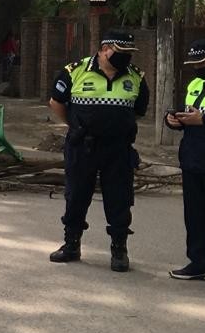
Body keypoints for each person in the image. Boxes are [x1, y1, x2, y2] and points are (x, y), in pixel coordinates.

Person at [48, 30, 148, 272]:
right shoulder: (75, 71)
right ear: (104, 49)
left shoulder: (135, 77)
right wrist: (77, 127)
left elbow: (138, 110)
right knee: (76, 196)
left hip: (118, 149)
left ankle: (119, 249)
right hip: (83, 146)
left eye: (129, 54)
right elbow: (56, 103)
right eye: (120, 52)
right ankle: (71, 244)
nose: (125, 58)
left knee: (119, 200)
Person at [164, 39, 205, 281]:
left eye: (202, 62)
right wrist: (173, 120)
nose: (197, 67)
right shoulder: (195, 83)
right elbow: (190, 117)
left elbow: (202, 120)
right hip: (194, 160)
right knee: (195, 215)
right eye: (194, 63)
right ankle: (199, 263)